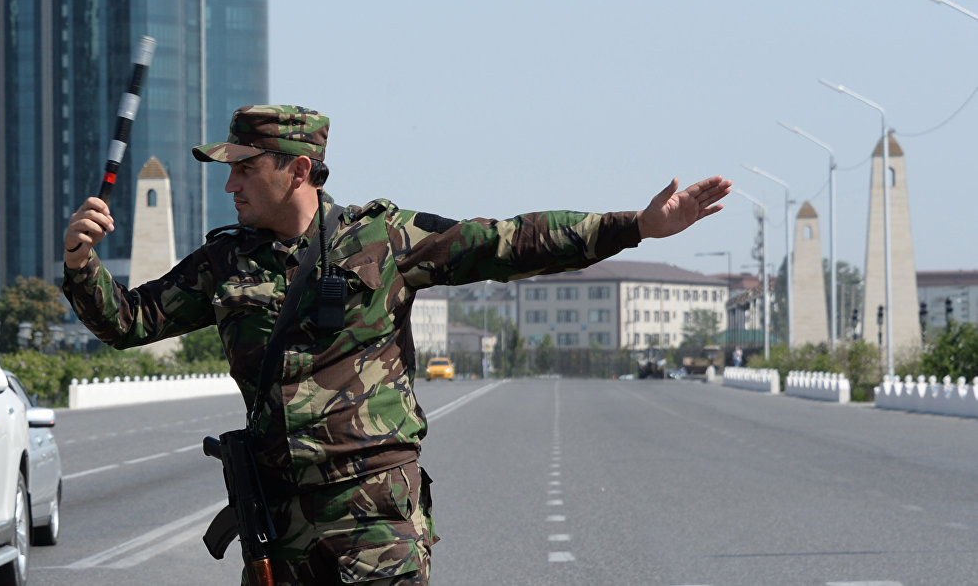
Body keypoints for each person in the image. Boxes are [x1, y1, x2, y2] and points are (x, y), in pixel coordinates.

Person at [62, 104, 731, 585]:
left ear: (298, 169)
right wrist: (81, 264)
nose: (230, 183)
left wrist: (636, 227)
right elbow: (131, 323)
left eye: (243, 168)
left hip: (374, 515)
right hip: (279, 516)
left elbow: (509, 241)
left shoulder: (384, 240)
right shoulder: (226, 263)